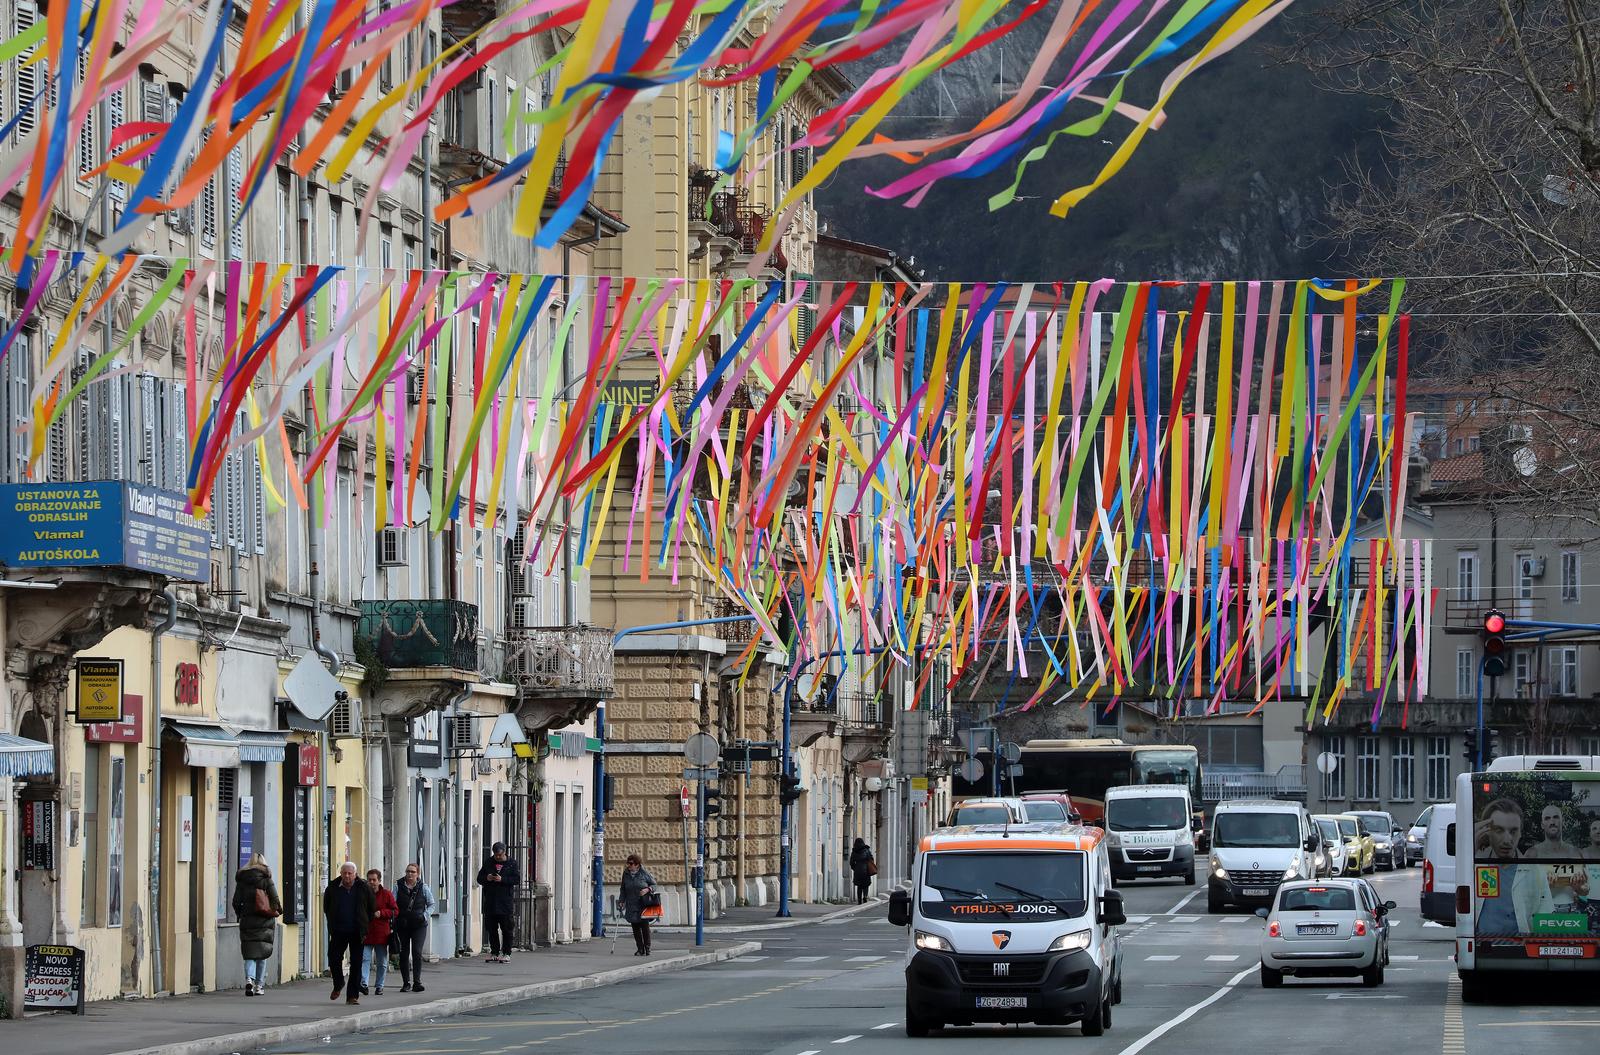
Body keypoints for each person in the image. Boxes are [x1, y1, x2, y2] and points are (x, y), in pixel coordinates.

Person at [323, 861, 375, 1004]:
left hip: (357, 931)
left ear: (355, 874)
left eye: (349, 873)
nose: (346, 876)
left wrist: (364, 924)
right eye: (344, 873)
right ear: (340, 873)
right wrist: (332, 923)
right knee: (334, 958)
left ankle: (352, 996)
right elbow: (326, 907)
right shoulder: (333, 887)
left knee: (356, 963)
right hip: (338, 930)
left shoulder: (364, 887)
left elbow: (371, 908)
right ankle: (338, 983)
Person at [231, 853, 281, 996]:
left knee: (249, 953)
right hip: (264, 920)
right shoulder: (266, 879)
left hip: (248, 920)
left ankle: (249, 979)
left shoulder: (242, 880)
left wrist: (241, 914)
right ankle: (259, 986)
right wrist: (277, 910)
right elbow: (274, 899)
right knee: (262, 953)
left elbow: (235, 901)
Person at [394, 862, 436, 993]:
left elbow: (431, 904)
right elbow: (393, 903)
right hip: (403, 925)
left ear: (417, 874)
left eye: (413, 872)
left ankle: (417, 982)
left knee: (417, 952)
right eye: (408, 871)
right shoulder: (398, 886)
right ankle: (406, 982)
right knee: (404, 953)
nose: (410, 874)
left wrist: (424, 916)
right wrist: (395, 917)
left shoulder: (423, 887)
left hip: (419, 925)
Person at [476, 842, 520, 963]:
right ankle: (494, 952)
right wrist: (487, 878)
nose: (498, 857)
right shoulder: (489, 862)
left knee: (507, 928)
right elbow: (479, 878)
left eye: (499, 855)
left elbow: (517, 879)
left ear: (504, 852)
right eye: (495, 855)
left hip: (505, 902)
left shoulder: (511, 863)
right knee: (491, 928)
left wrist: (503, 879)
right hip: (490, 900)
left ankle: (506, 952)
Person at [361, 868, 398, 995]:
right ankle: (364, 983)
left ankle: (379, 985)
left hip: (382, 933)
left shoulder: (387, 894)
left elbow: (395, 911)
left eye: (374, 880)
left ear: (379, 881)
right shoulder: (363, 894)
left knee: (382, 962)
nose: (372, 882)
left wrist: (381, 913)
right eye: (369, 880)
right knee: (365, 959)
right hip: (366, 932)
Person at [619, 854, 657, 956]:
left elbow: (654, 885)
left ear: (637, 865)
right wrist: (621, 901)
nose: (629, 866)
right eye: (628, 863)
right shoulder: (626, 874)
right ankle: (640, 949)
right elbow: (623, 889)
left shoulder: (644, 873)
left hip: (643, 904)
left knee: (645, 927)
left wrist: (647, 889)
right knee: (635, 927)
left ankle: (647, 948)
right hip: (631, 904)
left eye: (631, 864)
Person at [849, 838, 875, 904]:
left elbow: (851, 862)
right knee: (866, 884)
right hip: (866, 870)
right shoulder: (866, 850)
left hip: (857, 871)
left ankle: (859, 900)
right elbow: (871, 859)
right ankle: (865, 896)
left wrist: (855, 868)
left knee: (859, 886)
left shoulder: (854, 851)